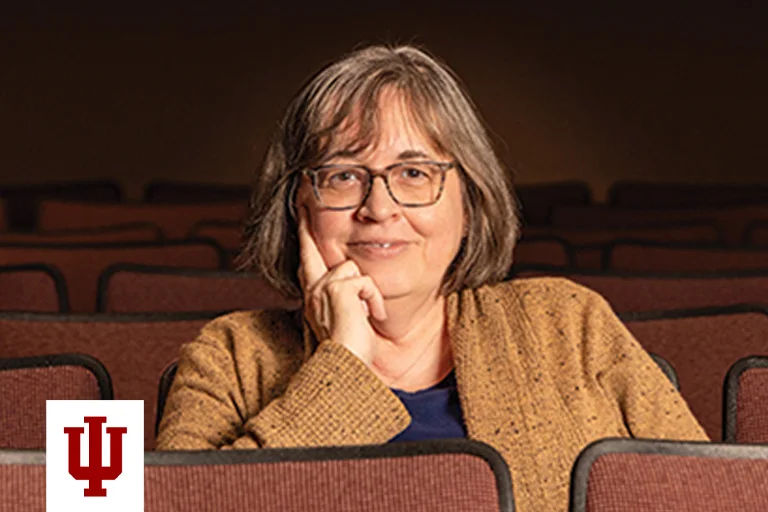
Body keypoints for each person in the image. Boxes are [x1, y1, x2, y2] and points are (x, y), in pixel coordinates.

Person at [156, 45, 708, 511]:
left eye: (414, 173)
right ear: (298, 204)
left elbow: (715, 498)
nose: (379, 207)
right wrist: (342, 366)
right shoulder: (229, 357)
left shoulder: (568, 323)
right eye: (344, 176)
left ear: (468, 201)